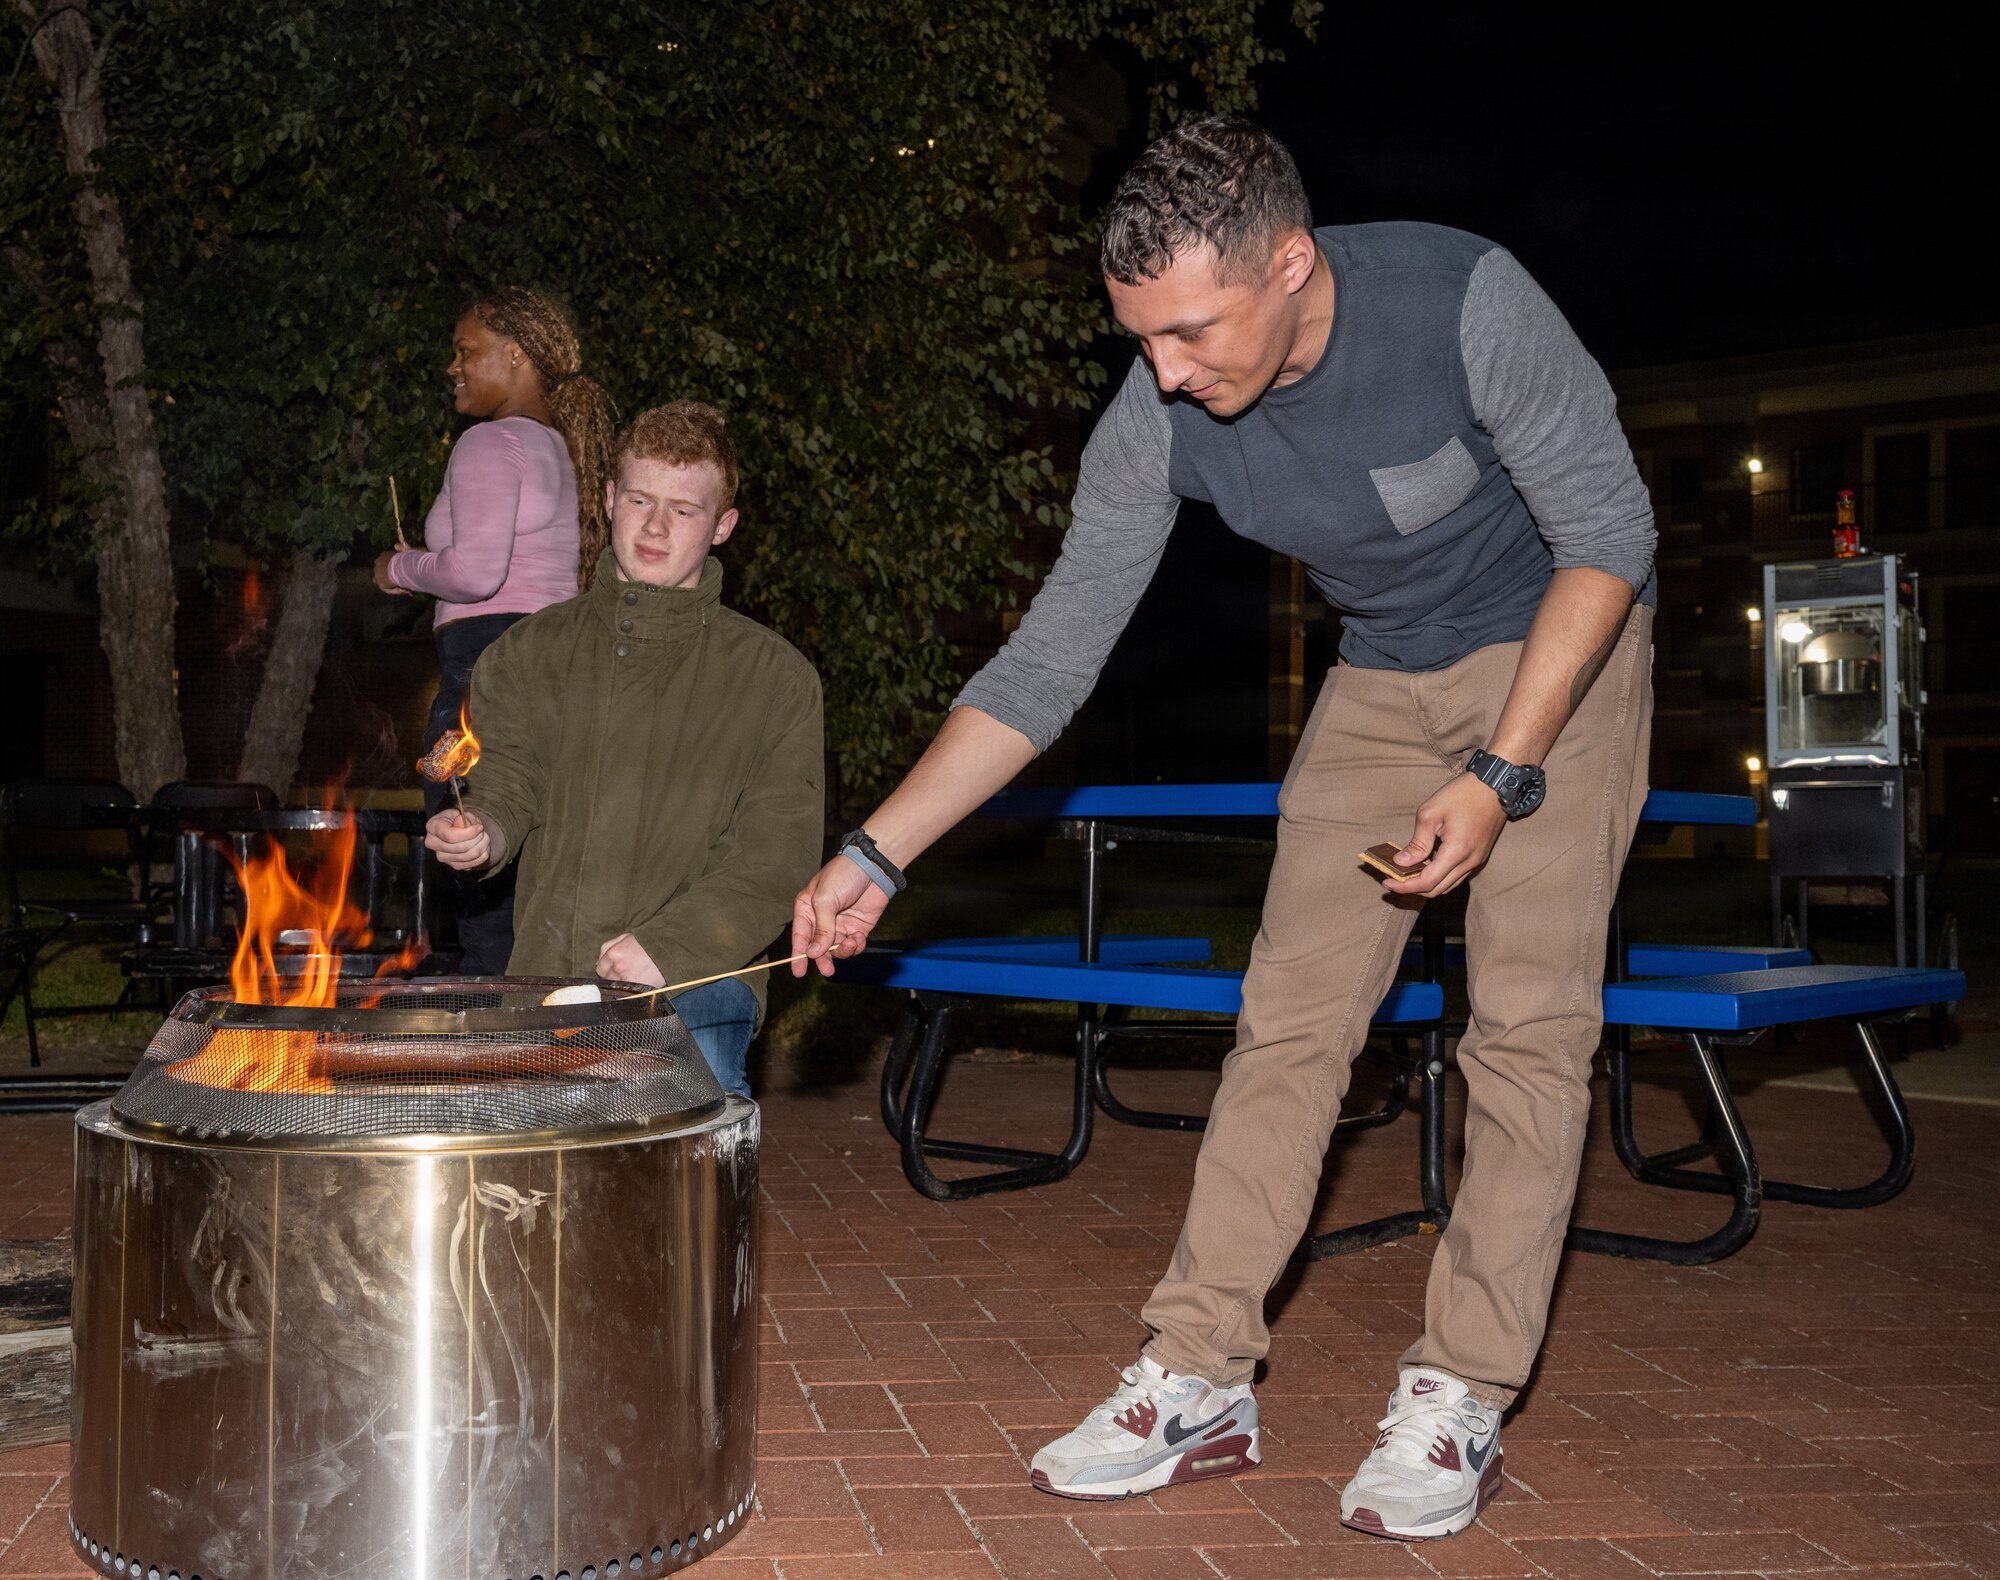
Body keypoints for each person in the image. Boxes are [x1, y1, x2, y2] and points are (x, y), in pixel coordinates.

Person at [790, 117, 1655, 1541]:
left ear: (1292, 266)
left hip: (1565, 649)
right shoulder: (1160, 420)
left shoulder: (1463, 304)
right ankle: (1199, 1374)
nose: (1168, 373)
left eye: (1192, 332)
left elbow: (1612, 537)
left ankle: (1463, 1393)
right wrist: (878, 849)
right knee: (1289, 1020)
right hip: (1381, 674)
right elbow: (1049, 661)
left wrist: (1503, 773)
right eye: (1142, 341)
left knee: (1528, 1030)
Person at [424, 402, 823, 1096]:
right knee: (528, 1181)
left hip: (701, 976)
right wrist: (482, 830)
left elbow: (774, 856)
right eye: (639, 499)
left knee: (682, 1158)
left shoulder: (775, 678)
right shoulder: (527, 650)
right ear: (610, 500)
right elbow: (511, 780)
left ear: (723, 525)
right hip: (552, 973)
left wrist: (668, 950)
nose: (656, 526)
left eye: (684, 510)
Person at [375, 286, 617, 974]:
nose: (452, 366)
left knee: (468, 860)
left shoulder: (490, 442)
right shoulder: (568, 452)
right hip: (557, 676)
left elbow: (476, 572)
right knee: (530, 865)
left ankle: (489, 1046)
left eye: (465, 351)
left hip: (482, 676)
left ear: (515, 355)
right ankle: (547, 1040)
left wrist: (398, 568)